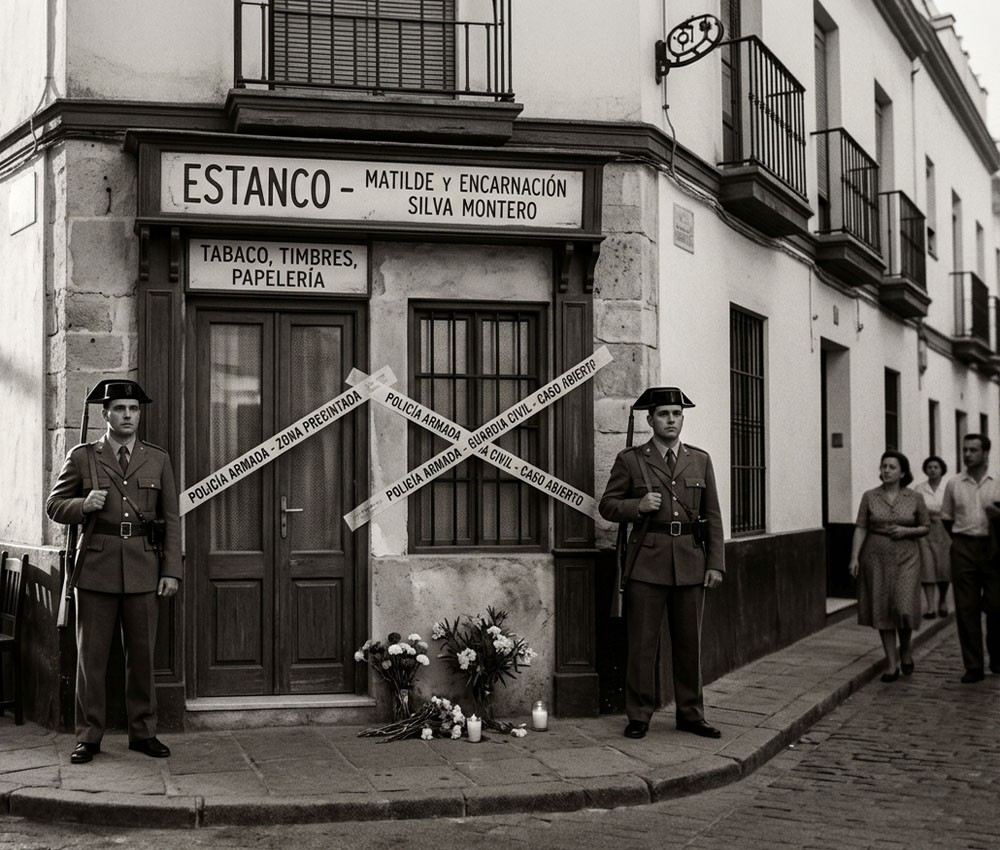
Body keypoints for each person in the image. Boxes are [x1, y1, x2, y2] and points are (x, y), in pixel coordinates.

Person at [46, 380, 181, 763]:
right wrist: (83, 503)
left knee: (141, 656)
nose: (127, 415)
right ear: (105, 414)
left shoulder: (157, 458)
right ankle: (88, 736)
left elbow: (171, 518)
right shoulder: (83, 456)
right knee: (91, 658)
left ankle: (143, 732)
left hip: (143, 568)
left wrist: (170, 571)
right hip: (96, 570)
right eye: (120, 408)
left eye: (133, 409)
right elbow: (55, 505)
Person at [599, 386, 725, 740]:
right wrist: (636, 507)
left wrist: (715, 564)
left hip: (690, 561)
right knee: (642, 644)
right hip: (647, 562)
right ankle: (639, 715)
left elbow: (712, 516)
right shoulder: (631, 459)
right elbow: (608, 505)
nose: (671, 420)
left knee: (689, 644)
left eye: (677, 414)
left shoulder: (699, 459)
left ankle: (691, 714)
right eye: (664, 414)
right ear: (650, 420)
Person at [848, 451, 928, 682]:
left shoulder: (914, 497)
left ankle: (906, 648)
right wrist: (854, 557)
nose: (886, 471)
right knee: (882, 608)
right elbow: (861, 527)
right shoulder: (870, 496)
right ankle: (892, 664)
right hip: (876, 557)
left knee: (903, 607)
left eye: (892, 467)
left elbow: (925, 526)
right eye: (884, 466)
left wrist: (907, 531)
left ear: (903, 472)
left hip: (907, 557)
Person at [940, 433, 1000, 684]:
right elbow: (946, 517)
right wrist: (961, 542)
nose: (967, 454)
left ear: (985, 453)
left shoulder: (997, 481)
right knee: (966, 608)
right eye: (965, 450)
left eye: (973, 450)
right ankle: (973, 665)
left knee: (997, 606)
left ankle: (997, 657)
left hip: (994, 549)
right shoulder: (954, 483)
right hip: (963, 547)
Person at [913, 456, 951, 619]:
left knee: (944, 568)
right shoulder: (919, 489)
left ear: (942, 469)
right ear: (925, 470)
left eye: (936, 467)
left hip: (945, 531)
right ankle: (930, 607)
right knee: (927, 569)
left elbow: (953, 509)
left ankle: (942, 600)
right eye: (929, 467)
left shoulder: (948, 488)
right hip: (925, 532)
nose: (933, 470)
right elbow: (914, 509)